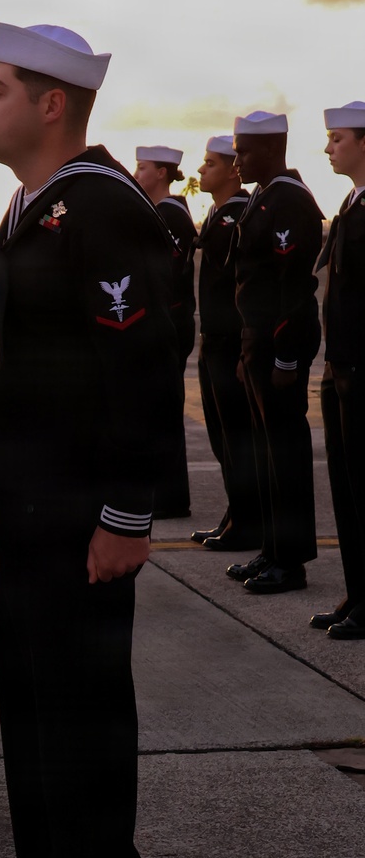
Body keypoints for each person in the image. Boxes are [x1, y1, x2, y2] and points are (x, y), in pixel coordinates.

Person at [0, 21, 179, 858]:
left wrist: (126, 514)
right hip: (32, 509)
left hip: (82, 518)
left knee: (80, 738)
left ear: (50, 104)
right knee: (38, 729)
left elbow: (142, 366)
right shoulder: (29, 206)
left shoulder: (102, 207)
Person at [226, 111, 323, 595]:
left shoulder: (289, 200)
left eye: (243, 152)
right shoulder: (264, 197)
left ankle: (291, 561)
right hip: (257, 342)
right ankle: (272, 548)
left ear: (270, 149)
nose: (237, 162)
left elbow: (293, 288)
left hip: (277, 345)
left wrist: (286, 357)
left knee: (285, 456)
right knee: (266, 453)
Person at [190, 135, 260, 552]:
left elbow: (244, 286)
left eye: (210, 163)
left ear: (233, 171)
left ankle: (247, 523)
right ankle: (235, 515)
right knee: (222, 438)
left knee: (237, 438)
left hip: (231, 342)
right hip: (213, 340)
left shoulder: (238, 215)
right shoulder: (218, 214)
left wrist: (242, 348)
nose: (201, 170)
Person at [311, 102, 365, 639]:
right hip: (341, 365)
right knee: (347, 489)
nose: (328, 148)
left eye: (337, 138)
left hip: (361, 366)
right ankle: (358, 593)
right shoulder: (350, 203)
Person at [134, 146, 197, 518]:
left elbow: (165, 273)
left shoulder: (170, 214)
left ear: (161, 172)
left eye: (142, 167)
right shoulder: (159, 211)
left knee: (165, 410)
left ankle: (170, 497)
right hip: (167, 322)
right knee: (159, 408)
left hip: (170, 323)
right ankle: (166, 494)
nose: (136, 173)